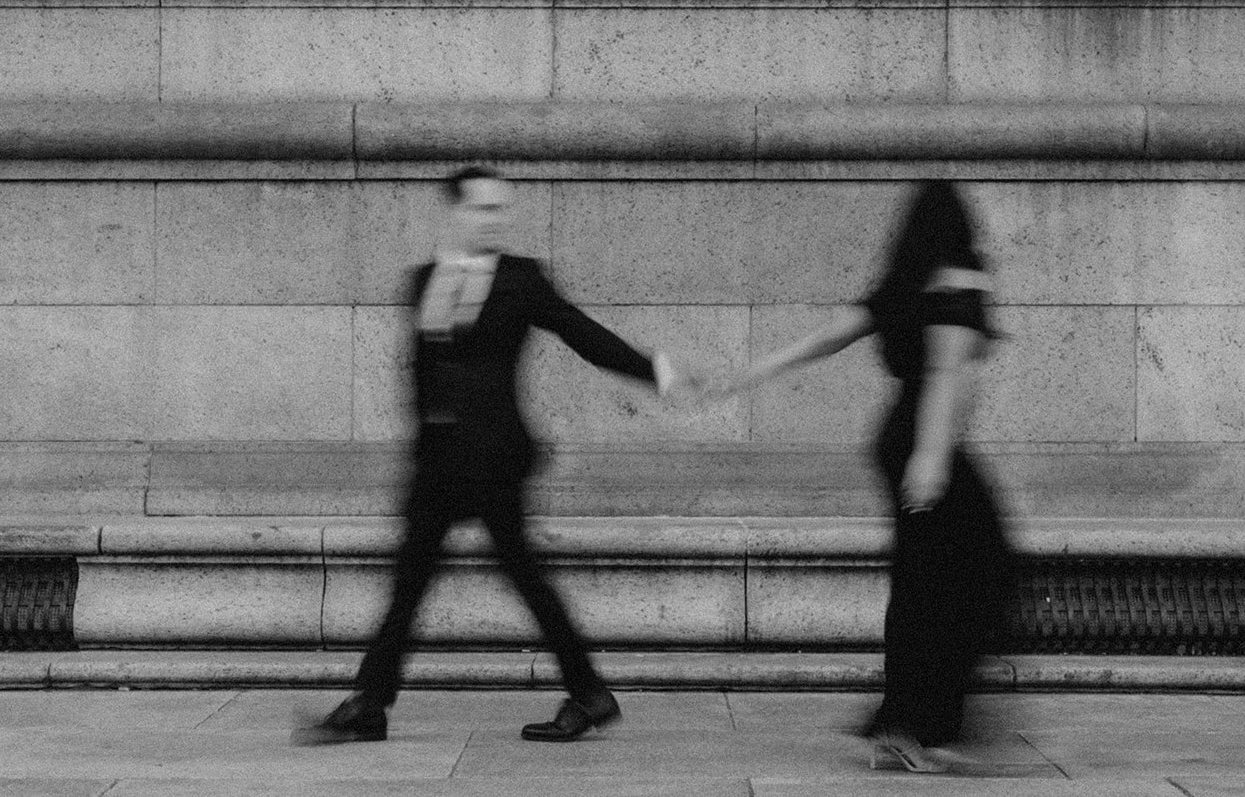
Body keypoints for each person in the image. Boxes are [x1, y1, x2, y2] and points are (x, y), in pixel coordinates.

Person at [295, 165, 691, 746]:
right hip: (437, 464)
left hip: (494, 460)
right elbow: (421, 376)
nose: (496, 219)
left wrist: (654, 372)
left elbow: (582, 334)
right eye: (484, 209)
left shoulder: (523, 279)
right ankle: (373, 703)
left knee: (524, 578)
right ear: (455, 212)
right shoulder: (422, 280)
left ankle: (583, 692)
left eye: (502, 209)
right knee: (411, 584)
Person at [719, 180, 1014, 773]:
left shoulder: (904, 282)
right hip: (927, 443)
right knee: (977, 570)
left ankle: (906, 722)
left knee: (922, 577)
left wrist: (752, 371)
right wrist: (931, 461)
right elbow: (946, 369)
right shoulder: (960, 272)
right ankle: (913, 725)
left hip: (897, 436)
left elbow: (830, 336)